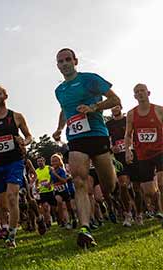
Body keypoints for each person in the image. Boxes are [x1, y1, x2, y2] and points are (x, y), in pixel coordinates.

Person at [52, 48, 121, 248]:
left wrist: (94, 108)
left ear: (75, 61)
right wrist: (59, 129)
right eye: (60, 61)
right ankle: (84, 228)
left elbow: (115, 100)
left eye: (67, 59)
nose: (64, 63)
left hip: (97, 134)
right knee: (79, 181)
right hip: (76, 138)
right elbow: (64, 110)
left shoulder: (90, 79)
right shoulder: (60, 91)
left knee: (109, 186)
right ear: (57, 66)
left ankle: (111, 195)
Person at [0, 85, 33, 248]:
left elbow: (29, 136)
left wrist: (25, 141)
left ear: (5, 96)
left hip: (14, 161)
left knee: (11, 197)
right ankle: (15, 215)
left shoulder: (16, 116)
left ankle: (12, 236)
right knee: (3, 205)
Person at [125, 83, 163, 221]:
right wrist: (128, 150)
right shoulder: (131, 114)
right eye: (137, 91)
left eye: (142, 90)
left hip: (160, 150)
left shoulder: (159, 110)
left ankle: (161, 212)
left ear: (149, 93)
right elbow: (128, 134)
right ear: (135, 96)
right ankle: (158, 205)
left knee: (162, 182)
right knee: (148, 191)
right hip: (143, 154)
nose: (140, 93)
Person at [106, 105, 143, 226]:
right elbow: (106, 140)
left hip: (134, 156)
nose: (114, 109)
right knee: (122, 185)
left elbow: (138, 134)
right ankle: (128, 215)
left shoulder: (128, 119)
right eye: (112, 107)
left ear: (121, 107)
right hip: (119, 159)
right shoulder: (108, 124)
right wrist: (111, 148)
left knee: (137, 188)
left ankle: (139, 214)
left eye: (116, 107)